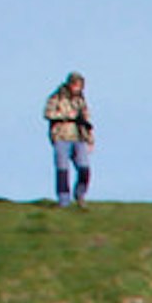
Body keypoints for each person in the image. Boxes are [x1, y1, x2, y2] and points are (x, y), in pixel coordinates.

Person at [44, 74, 92, 207]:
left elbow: (86, 120)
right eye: (76, 86)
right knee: (62, 170)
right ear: (70, 84)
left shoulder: (80, 100)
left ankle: (80, 194)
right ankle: (63, 201)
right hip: (61, 137)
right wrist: (66, 116)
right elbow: (47, 113)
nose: (78, 89)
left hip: (79, 137)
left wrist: (90, 139)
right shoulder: (56, 97)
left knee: (84, 169)